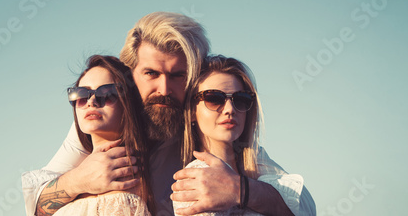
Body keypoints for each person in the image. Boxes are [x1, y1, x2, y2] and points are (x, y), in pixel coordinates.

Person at [22, 12, 316, 216]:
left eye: (177, 75)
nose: (164, 88)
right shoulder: (101, 121)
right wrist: (78, 181)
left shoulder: (211, 125)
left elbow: (303, 206)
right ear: (128, 75)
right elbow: (35, 205)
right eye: (151, 73)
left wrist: (240, 190)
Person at [174, 55, 306, 215]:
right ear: (192, 112)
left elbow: (305, 207)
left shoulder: (259, 162)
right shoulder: (197, 177)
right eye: (214, 98)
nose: (230, 109)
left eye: (240, 99)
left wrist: (240, 189)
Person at [38, 55, 154, 215]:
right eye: (81, 94)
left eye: (106, 93)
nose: (91, 101)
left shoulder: (125, 178)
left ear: (128, 103)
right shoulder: (75, 171)